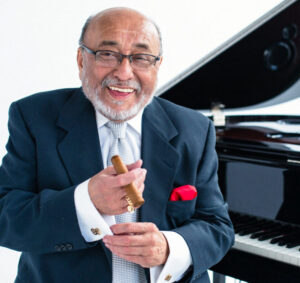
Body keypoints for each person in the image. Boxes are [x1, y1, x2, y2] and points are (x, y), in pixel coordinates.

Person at [0, 7, 234, 283]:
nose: (124, 73)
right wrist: (87, 202)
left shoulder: (194, 128)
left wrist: (168, 248)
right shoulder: (34, 116)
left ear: (157, 65)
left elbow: (217, 227)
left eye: (141, 58)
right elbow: (6, 216)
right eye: (107, 54)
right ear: (80, 60)